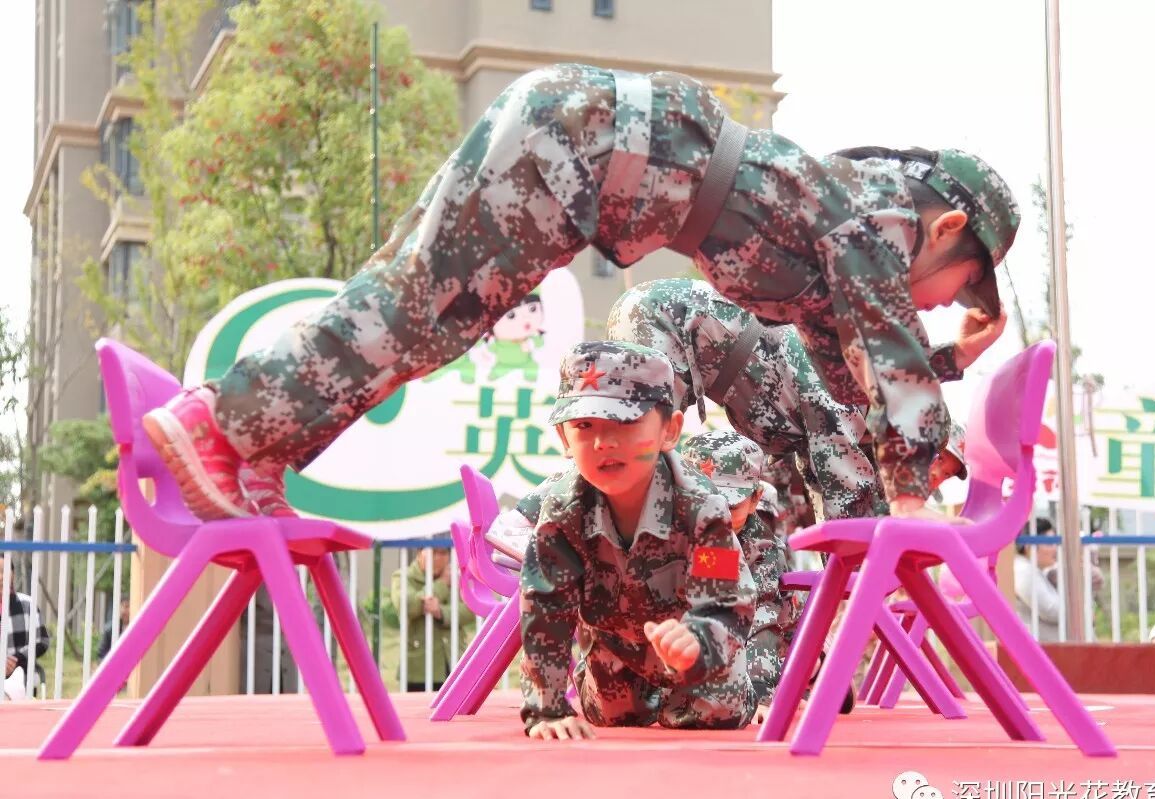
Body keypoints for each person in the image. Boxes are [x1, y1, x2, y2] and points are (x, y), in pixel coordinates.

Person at [138, 63, 1016, 532]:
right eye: (961, 287)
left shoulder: (844, 253)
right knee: (415, 307)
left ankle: (261, 446)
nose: (946, 304)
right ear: (945, 230)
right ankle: (221, 419)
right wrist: (911, 500)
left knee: (427, 320)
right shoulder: (879, 216)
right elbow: (889, 356)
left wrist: (947, 363)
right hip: (581, 143)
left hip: (583, 160)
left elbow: (850, 369)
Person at [521, 341, 756, 740]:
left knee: (717, 713)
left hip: (692, 648)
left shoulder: (702, 508)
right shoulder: (562, 512)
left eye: (625, 422)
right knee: (611, 716)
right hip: (616, 649)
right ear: (563, 438)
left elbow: (726, 600)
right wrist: (547, 710)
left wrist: (698, 641)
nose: (603, 442)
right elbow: (546, 608)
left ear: (670, 431)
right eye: (584, 426)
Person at [608, 278, 983, 521]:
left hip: (682, 335)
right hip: (665, 318)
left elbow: (828, 483)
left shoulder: (861, 412)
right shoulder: (849, 399)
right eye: (934, 462)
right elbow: (848, 500)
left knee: (642, 459)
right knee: (639, 456)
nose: (932, 478)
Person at [679, 430, 796, 719]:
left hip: (751, 642)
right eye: (704, 500)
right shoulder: (662, 525)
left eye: (730, 506)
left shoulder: (760, 549)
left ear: (755, 499)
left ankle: (814, 666)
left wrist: (758, 693)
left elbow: (761, 622)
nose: (716, 515)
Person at [391, 540, 478, 691]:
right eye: (433, 552)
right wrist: (442, 584)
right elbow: (407, 605)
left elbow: (470, 609)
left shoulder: (456, 575)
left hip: (453, 661)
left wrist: (441, 612)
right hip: (418, 668)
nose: (438, 557)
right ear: (419, 553)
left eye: (443, 553)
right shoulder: (403, 576)